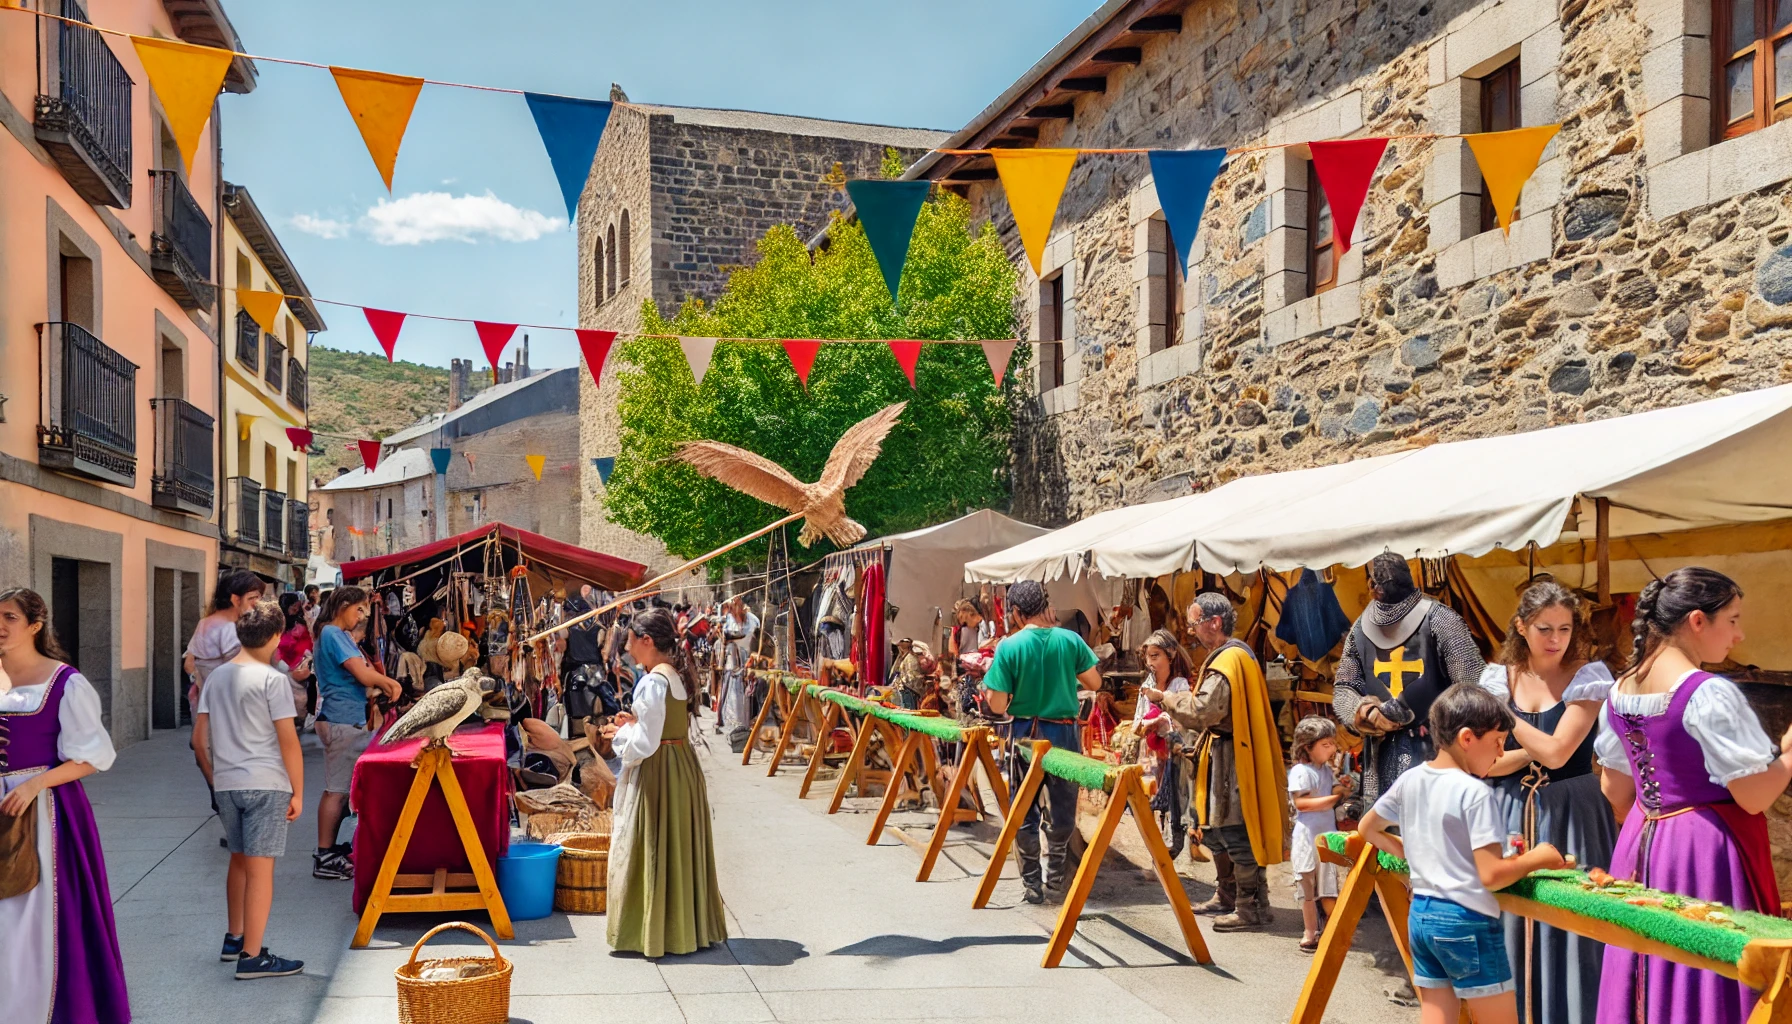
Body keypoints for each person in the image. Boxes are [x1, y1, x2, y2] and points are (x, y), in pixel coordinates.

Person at [1594, 568, 1792, 1024]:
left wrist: (1654, 830)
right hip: (1705, 854)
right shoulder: (1707, 693)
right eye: (1734, 620)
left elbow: (1615, 790)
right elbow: (1753, 796)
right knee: (1707, 969)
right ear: (1697, 621)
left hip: (1641, 842)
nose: (1739, 636)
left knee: (1646, 965)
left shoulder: (1619, 690)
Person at [1361, 684, 1567, 1024]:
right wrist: (1539, 857)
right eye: (1499, 742)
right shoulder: (1474, 792)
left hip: (1422, 915)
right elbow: (1490, 876)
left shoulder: (1411, 780)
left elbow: (1367, 828)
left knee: (1437, 1015)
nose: (1501, 754)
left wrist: (1413, 855)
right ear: (1468, 738)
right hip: (1465, 919)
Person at [1477, 578, 1615, 1024]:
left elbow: (1559, 755)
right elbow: (1486, 765)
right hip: (1508, 812)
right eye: (1544, 629)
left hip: (1572, 812)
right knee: (1510, 923)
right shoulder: (1498, 676)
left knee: (1572, 923)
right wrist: (1534, 748)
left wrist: (1508, 719)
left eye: (1565, 628)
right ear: (1521, 627)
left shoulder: (1589, 677)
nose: (1556, 639)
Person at [0, 587, 129, 1024]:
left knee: (37, 918)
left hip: (46, 814)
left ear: (35, 626)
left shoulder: (65, 682)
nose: (0, 624)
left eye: (10, 617)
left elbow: (93, 756)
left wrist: (36, 783)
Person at [1143, 592, 1287, 931]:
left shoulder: (1227, 662)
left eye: (1195, 624)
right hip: (1221, 753)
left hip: (1232, 760)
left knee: (1235, 831)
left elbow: (1205, 710)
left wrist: (1166, 698)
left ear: (1215, 622)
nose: (1192, 631)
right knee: (1216, 831)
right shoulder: (1230, 657)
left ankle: (1250, 906)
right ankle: (1227, 894)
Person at [600, 607, 727, 957]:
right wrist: (634, 722)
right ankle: (681, 928)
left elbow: (645, 741)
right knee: (677, 845)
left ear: (647, 640)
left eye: (630, 642)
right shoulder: (672, 674)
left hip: (659, 770)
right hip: (679, 765)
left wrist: (620, 734)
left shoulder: (654, 679)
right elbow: (659, 724)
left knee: (654, 844)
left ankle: (656, 932)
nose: (627, 650)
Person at [192, 601, 306, 980]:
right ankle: (253, 957)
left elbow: (198, 740)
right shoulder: (274, 680)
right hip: (267, 783)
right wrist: (298, 791)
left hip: (227, 783)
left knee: (239, 860)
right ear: (276, 638)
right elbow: (288, 741)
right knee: (261, 870)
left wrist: (214, 777)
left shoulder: (217, 678)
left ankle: (234, 938)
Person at [981, 579, 1101, 905]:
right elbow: (1094, 681)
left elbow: (996, 705)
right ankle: (1057, 876)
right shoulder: (1070, 640)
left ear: (1017, 613)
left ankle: (1032, 884)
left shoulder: (1009, 646)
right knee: (1063, 807)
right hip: (1063, 733)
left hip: (1025, 735)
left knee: (1024, 808)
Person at [1333, 552, 1486, 806]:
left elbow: (1473, 688)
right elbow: (1345, 688)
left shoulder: (1441, 620)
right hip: (1380, 757)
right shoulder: (1361, 629)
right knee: (1385, 837)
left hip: (1435, 751)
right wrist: (1365, 712)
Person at [309, 586, 401, 881]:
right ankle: (324, 855)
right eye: (359, 609)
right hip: (342, 721)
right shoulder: (333, 634)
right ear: (344, 604)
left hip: (343, 719)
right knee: (336, 790)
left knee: (340, 789)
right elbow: (361, 674)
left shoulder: (330, 633)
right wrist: (390, 684)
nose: (362, 616)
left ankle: (330, 850)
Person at [1287, 716, 1349, 953]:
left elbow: (1333, 786)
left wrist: (1340, 788)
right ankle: (1310, 931)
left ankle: (1332, 930)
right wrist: (1336, 798)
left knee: (1328, 886)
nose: (1332, 749)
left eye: (1332, 744)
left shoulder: (1324, 771)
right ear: (1307, 747)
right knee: (1308, 888)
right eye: (1326, 745)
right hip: (1307, 836)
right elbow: (1302, 803)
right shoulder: (1301, 771)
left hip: (1326, 836)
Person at [275, 593, 315, 723]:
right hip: (279, 666)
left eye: (297, 607)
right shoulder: (276, 624)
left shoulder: (301, 623)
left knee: (299, 699)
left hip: (297, 667)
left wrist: (305, 656)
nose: (296, 610)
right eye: (293, 607)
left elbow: (307, 643)